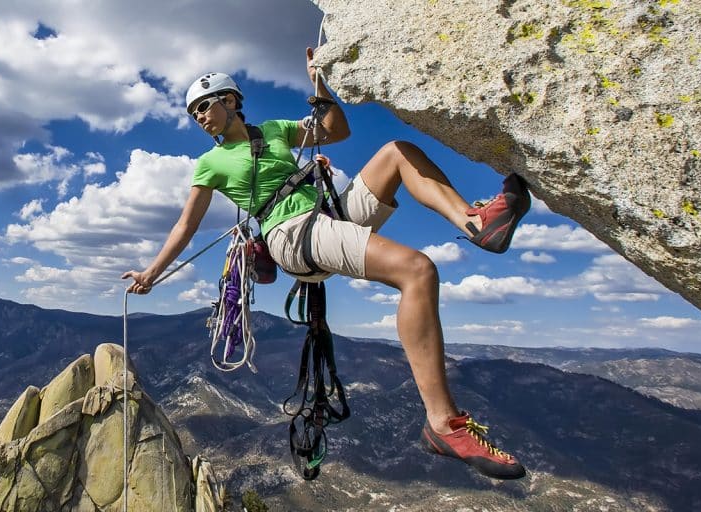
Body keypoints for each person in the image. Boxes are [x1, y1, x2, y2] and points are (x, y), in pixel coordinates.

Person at [122, 47, 530, 480]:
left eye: (204, 106)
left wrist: (319, 84)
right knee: (417, 270)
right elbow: (186, 224)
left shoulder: (275, 130)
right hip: (291, 234)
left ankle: (476, 223)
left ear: (230, 100)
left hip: (328, 214)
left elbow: (336, 130)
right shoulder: (211, 163)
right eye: (194, 114)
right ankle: (442, 423)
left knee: (397, 151)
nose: (200, 117)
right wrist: (152, 273)